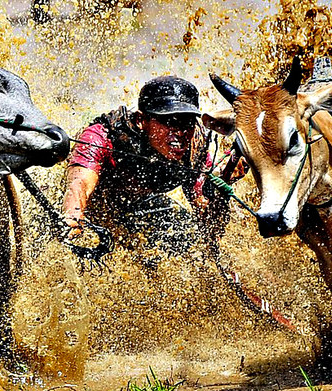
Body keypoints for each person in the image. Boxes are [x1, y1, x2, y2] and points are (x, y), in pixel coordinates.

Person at [61, 75, 242, 259]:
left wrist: (225, 181)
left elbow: (206, 217)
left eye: (186, 122)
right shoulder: (102, 136)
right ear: (141, 120)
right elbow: (79, 183)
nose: (179, 133)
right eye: (169, 122)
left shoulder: (195, 151)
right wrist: (72, 217)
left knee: (190, 237)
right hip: (93, 207)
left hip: (140, 207)